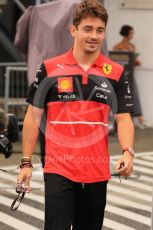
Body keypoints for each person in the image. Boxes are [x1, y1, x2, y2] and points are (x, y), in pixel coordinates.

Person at [17, 1, 134, 230]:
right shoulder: (50, 68)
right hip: (58, 168)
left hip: (97, 171)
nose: (94, 35)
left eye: (100, 30)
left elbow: (123, 117)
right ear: (74, 30)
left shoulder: (116, 73)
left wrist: (127, 152)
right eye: (87, 29)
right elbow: (33, 117)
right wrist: (26, 162)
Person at [113, 25, 152, 129]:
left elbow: (134, 61)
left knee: (134, 95)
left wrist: (135, 60)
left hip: (131, 75)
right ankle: (132, 120)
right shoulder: (118, 47)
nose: (132, 35)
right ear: (127, 34)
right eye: (131, 33)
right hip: (121, 75)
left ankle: (140, 120)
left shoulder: (132, 46)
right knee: (122, 97)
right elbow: (115, 61)